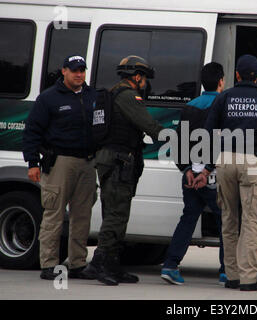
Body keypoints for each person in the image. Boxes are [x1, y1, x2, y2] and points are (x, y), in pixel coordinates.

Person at [201, 55, 257, 291]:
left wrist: (208, 166)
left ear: (237, 75)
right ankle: (248, 279)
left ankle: (232, 277)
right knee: (250, 222)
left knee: (229, 220)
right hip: (252, 162)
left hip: (225, 161)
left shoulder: (224, 98)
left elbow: (208, 133)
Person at [82, 55, 164, 286]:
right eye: (144, 78)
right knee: (117, 215)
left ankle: (113, 264)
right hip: (119, 161)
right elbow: (148, 125)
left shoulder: (111, 94)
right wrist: (179, 140)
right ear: (136, 77)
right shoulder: (128, 96)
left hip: (109, 159)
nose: (146, 83)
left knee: (114, 212)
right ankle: (100, 263)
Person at [23, 55, 97, 280]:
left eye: (82, 70)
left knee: (82, 216)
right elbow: (32, 131)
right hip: (59, 163)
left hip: (87, 163)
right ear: (63, 71)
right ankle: (49, 264)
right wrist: (33, 162)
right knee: (54, 215)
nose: (79, 74)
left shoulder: (92, 95)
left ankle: (77, 264)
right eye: (74, 70)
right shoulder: (49, 98)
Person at [160, 62, 227, 286]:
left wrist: (187, 169)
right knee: (225, 221)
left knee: (188, 217)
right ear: (221, 81)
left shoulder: (190, 106)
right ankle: (226, 270)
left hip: (191, 174)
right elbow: (220, 142)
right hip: (212, 176)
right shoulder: (222, 105)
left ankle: (170, 265)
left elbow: (177, 143)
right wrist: (207, 170)